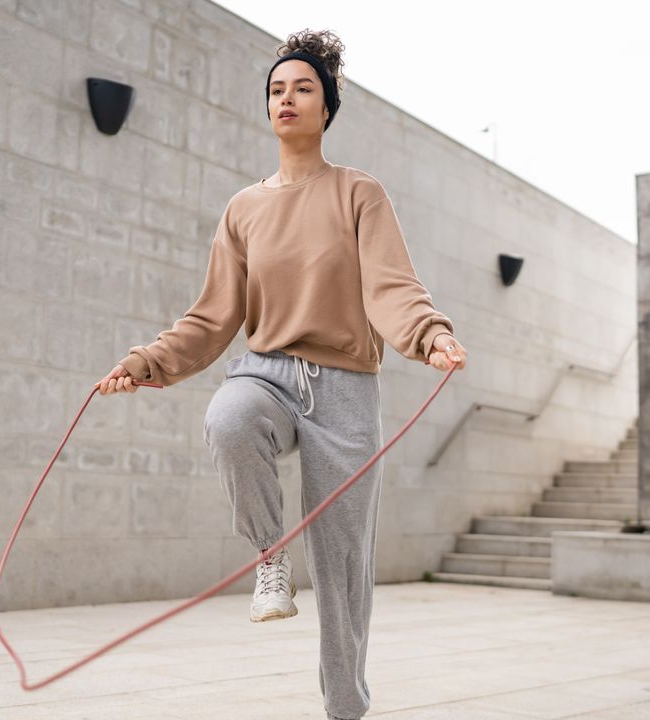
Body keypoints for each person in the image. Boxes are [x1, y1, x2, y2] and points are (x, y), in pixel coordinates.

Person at [95, 28, 467, 720]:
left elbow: (392, 286)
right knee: (228, 420)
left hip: (346, 389)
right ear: (267, 109)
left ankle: (346, 708)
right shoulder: (243, 209)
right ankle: (270, 558)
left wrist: (430, 334)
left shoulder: (360, 194)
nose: (287, 98)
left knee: (344, 566)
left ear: (327, 107)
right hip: (265, 373)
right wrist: (146, 361)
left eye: (303, 88)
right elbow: (211, 317)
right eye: (276, 89)